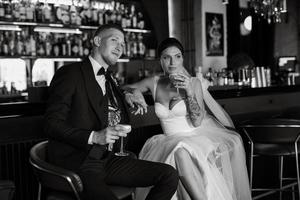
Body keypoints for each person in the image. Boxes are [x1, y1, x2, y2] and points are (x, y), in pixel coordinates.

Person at [44, 24, 179, 200]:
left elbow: (102, 97)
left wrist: (128, 93)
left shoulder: (110, 78)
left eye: (123, 44)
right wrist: (94, 136)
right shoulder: (70, 73)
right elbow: (51, 124)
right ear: (97, 41)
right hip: (79, 160)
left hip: (107, 158)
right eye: (114, 40)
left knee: (169, 175)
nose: (120, 47)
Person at [123, 38, 252, 200]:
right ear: (160, 60)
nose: (172, 62)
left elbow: (197, 121)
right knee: (177, 152)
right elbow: (123, 88)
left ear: (182, 59)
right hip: (166, 140)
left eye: (177, 56)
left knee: (180, 152)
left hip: (194, 138)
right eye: (166, 57)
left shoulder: (194, 83)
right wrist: (131, 92)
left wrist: (189, 93)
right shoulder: (154, 82)